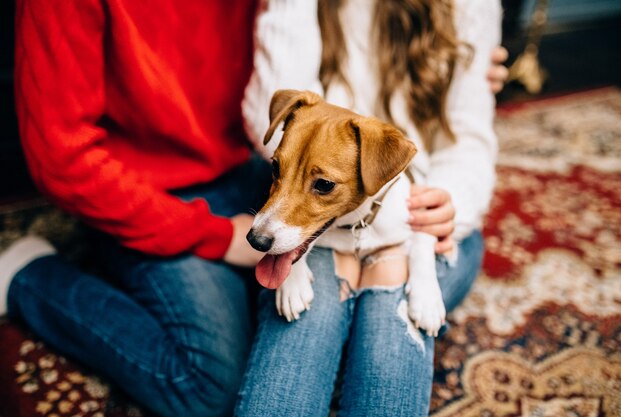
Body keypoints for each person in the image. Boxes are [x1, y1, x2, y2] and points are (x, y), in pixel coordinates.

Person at [0, 2, 507, 417]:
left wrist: (447, 195)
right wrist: (215, 235)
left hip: (270, 173)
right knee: (211, 382)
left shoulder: (470, 11)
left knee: (373, 320)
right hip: (146, 189)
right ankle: (30, 277)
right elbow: (62, 159)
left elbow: (468, 142)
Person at [234, 0, 502, 415]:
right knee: (305, 320)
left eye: (322, 186)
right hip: (332, 219)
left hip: (422, 208)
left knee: (390, 318)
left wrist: (447, 206)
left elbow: (469, 142)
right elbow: (271, 115)